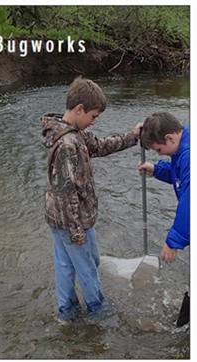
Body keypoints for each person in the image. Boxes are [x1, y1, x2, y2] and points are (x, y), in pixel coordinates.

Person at [41, 76, 142, 322]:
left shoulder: (75, 132)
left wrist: (134, 136)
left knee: (67, 265)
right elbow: (66, 193)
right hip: (71, 220)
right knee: (87, 266)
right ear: (79, 109)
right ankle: (98, 311)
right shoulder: (67, 143)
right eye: (93, 116)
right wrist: (76, 232)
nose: (94, 122)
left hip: (58, 218)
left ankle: (67, 312)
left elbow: (100, 146)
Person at [138, 111, 190, 327]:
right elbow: (179, 174)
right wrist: (157, 169)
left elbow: (190, 199)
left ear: (170, 137)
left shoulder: (189, 154)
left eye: (159, 150)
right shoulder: (183, 146)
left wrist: (173, 241)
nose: (160, 154)